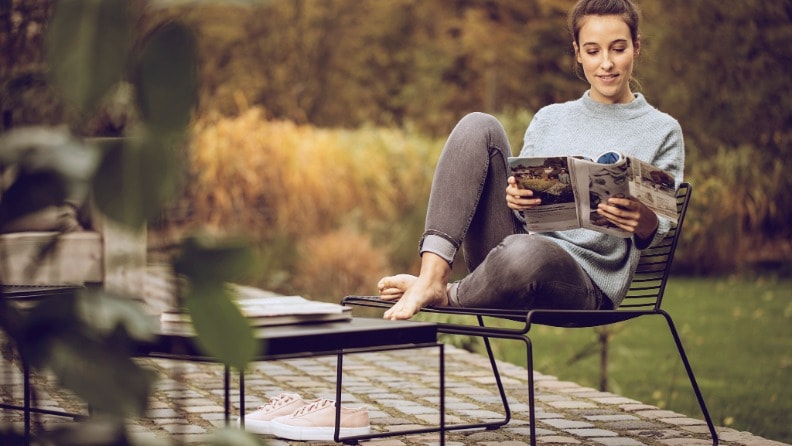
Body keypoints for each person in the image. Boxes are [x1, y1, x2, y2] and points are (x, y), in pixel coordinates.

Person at [377, 0, 684, 320]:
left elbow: (659, 228)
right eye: (593, 51)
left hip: (583, 282)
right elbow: (522, 212)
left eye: (617, 49)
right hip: (513, 255)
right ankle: (431, 276)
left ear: (635, 48)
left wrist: (643, 220)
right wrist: (516, 198)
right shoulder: (549, 118)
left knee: (527, 253)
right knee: (478, 125)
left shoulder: (662, 131)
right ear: (578, 53)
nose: (606, 63)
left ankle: (449, 294)